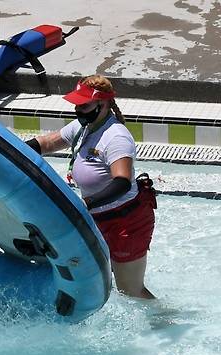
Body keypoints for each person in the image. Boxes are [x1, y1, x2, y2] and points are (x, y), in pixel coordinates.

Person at [25, 75, 157, 299]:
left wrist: (84, 203)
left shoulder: (116, 138)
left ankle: (164, 322)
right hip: (96, 217)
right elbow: (49, 143)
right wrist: (12, 149)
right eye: (77, 104)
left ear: (103, 104)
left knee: (129, 290)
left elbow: (122, 182)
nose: (78, 110)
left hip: (126, 222)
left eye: (84, 105)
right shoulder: (83, 126)